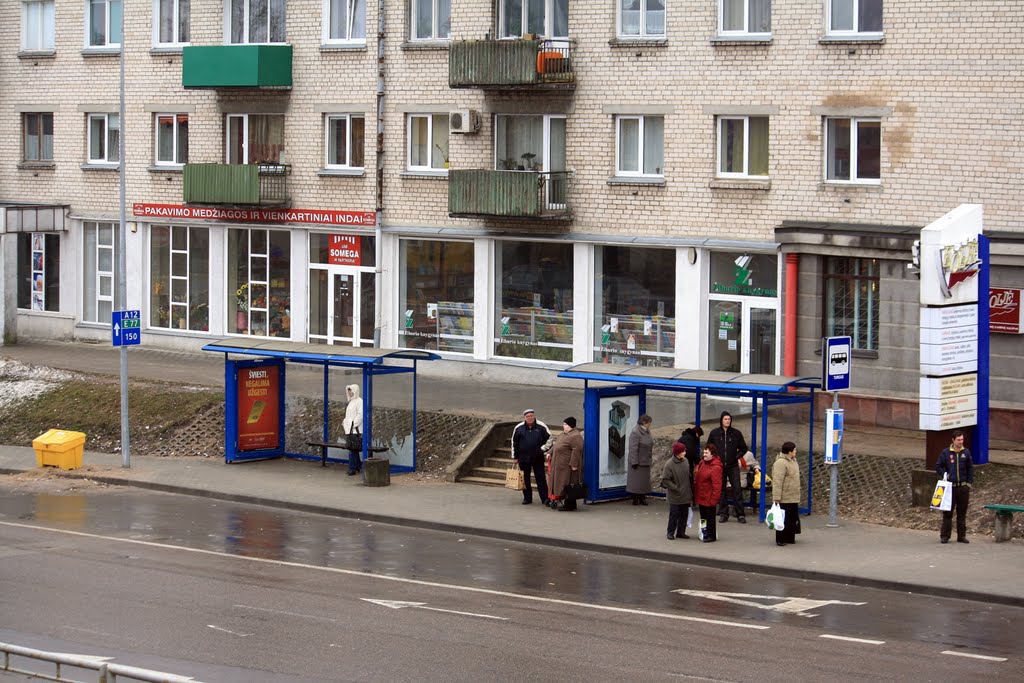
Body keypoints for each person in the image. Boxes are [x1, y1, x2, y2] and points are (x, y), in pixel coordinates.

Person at [708, 411, 749, 523]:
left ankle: (740, 514)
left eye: (729, 419)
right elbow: (709, 447)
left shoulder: (736, 433)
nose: (727, 421)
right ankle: (723, 513)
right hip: (719, 466)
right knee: (721, 490)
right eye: (725, 419)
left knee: (737, 489)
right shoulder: (715, 433)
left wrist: (736, 457)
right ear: (721, 420)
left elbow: (744, 448)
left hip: (733, 466)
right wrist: (714, 458)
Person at [936, 429, 974, 544]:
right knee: (948, 512)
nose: (960, 442)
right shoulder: (946, 453)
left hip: (963, 487)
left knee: (962, 513)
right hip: (950, 487)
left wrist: (968, 483)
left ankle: (961, 536)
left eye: (962, 439)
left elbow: (970, 469)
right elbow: (938, 466)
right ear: (953, 440)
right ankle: (945, 535)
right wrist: (944, 475)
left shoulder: (966, 453)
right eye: (958, 440)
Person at [511, 409, 551, 506]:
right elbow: (514, 442)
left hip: (537, 457)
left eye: (531, 416)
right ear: (524, 417)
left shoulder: (541, 426)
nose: (530, 418)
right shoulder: (519, 428)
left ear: (534, 416)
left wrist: (542, 449)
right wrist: (515, 457)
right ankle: (527, 498)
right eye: (528, 416)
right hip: (523, 458)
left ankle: (545, 498)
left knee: (540, 478)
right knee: (525, 479)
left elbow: (550, 439)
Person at [548, 417, 583, 511]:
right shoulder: (564, 434)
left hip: (567, 466)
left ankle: (570, 505)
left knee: (568, 485)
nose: (563, 426)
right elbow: (556, 445)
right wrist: (550, 452)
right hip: (559, 465)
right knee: (563, 485)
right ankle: (566, 503)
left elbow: (577, 451)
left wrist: (574, 465)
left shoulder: (576, 436)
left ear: (570, 425)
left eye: (565, 424)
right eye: (563, 424)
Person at [661, 442, 693, 539]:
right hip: (675, 495)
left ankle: (681, 532)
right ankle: (670, 532)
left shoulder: (686, 461)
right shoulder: (669, 464)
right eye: (683, 451)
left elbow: (688, 476)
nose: (685, 453)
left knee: (684, 515)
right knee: (674, 515)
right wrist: (676, 488)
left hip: (685, 494)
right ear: (677, 453)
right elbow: (666, 480)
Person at [771, 441, 801, 546]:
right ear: (789, 452)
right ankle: (780, 539)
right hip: (784, 496)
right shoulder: (780, 463)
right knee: (782, 519)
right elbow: (778, 481)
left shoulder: (793, 461)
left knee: (792, 519)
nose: (796, 451)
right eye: (794, 450)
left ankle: (790, 537)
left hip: (793, 496)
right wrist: (776, 497)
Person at [694, 444, 723, 542]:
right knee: (703, 517)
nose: (704, 454)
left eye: (706, 453)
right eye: (704, 452)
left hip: (709, 497)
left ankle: (711, 535)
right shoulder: (702, 462)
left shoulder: (716, 467)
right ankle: (704, 532)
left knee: (710, 518)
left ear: (712, 455)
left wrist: (714, 499)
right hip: (702, 495)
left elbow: (717, 485)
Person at [626, 414, 654, 506]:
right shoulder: (635, 432)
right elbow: (633, 448)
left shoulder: (647, 431)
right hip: (638, 462)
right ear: (644, 422)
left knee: (643, 482)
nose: (650, 424)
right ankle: (635, 498)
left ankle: (642, 497)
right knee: (636, 482)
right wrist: (634, 462)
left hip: (645, 460)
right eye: (649, 422)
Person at [342, 383, 363, 476]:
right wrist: (346, 423)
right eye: (349, 390)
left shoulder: (359, 401)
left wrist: (353, 425)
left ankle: (352, 468)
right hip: (350, 429)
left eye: (351, 390)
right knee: (353, 449)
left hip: (355, 430)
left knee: (352, 449)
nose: (349, 392)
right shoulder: (351, 402)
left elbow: (360, 415)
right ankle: (357, 466)